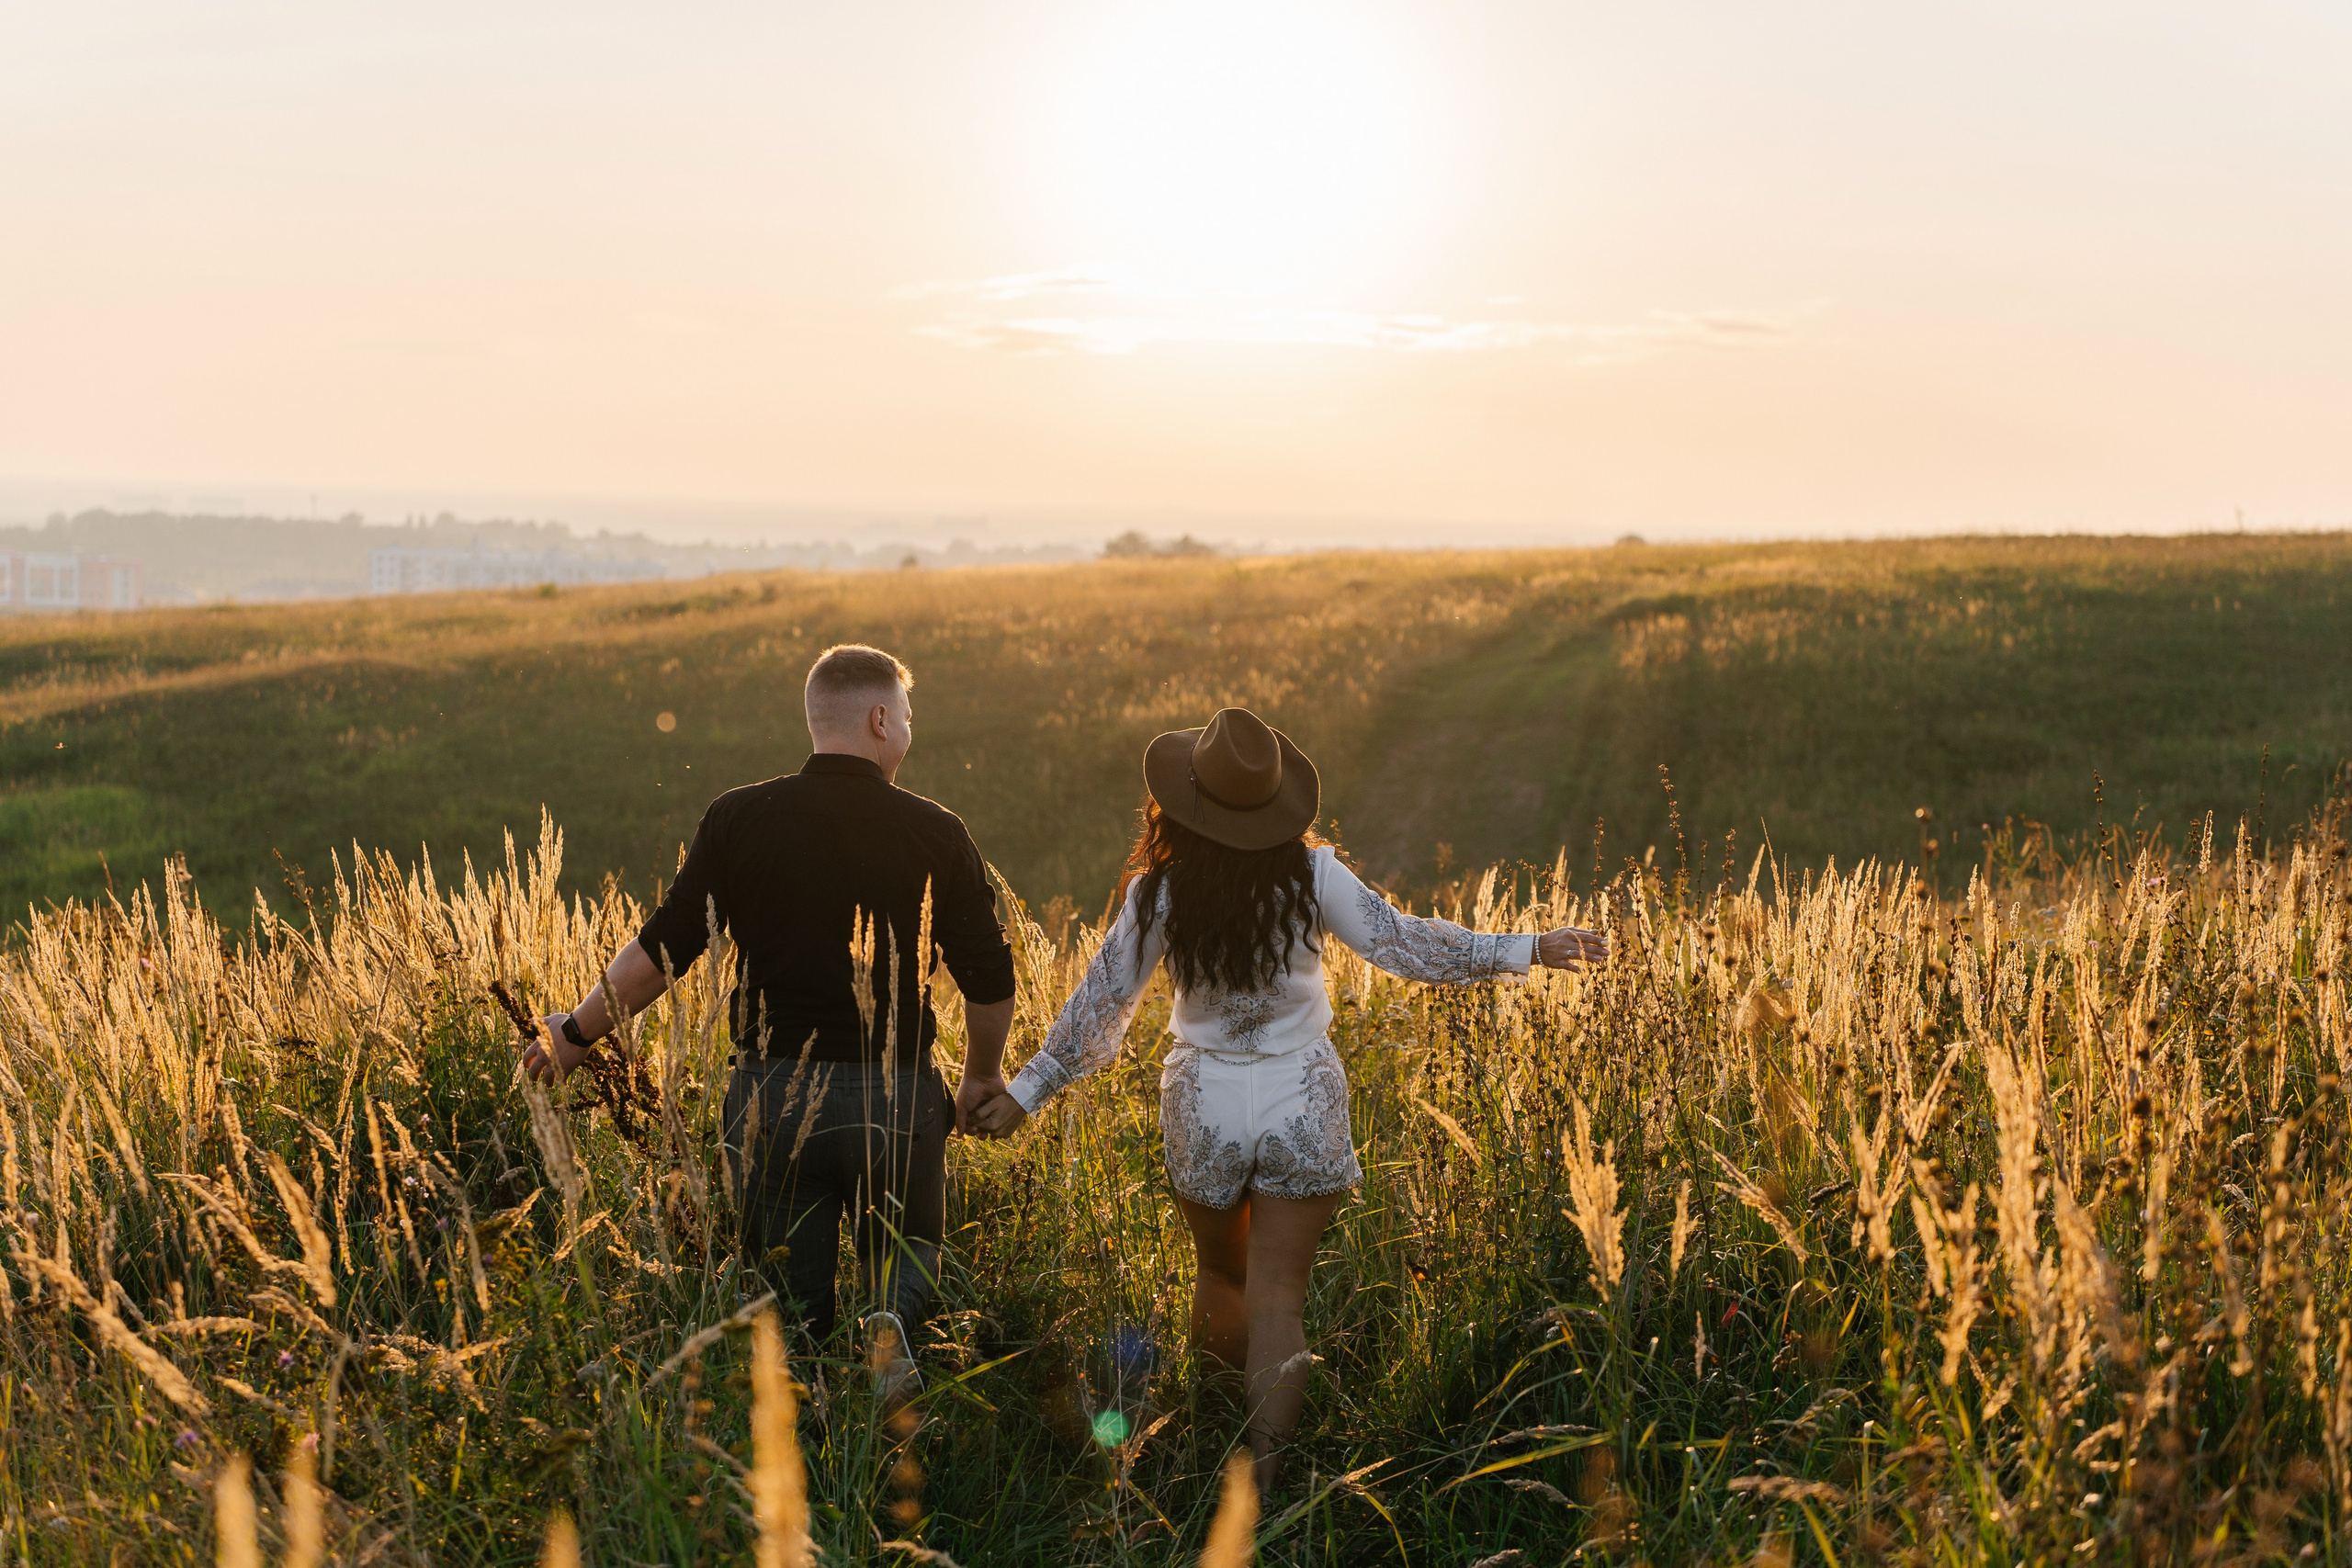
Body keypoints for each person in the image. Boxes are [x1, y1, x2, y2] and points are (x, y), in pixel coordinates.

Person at [969, 707, 1605, 1487]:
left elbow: (1101, 1003)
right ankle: (1264, 1484)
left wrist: (1026, 1091)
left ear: (1185, 801)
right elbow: (1400, 942)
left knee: (1220, 1277)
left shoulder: (1158, 892)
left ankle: (1202, 1442)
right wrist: (1527, 946)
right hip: (1301, 1096)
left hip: (1202, 1098)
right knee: (1278, 1300)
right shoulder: (1314, 873)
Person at [522, 644, 1018, 1398]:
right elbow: (988, 976)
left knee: (791, 1298)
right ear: (880, 720)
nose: (909, 732)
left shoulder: (738, 816)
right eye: (907, 717)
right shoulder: (935, 829)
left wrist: (576, 1034)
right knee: (911, 1244)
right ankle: (888, 1321)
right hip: (897, 1098)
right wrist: (982, 1076)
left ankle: (808, 1433)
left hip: (772, 1098)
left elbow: (665, 948)